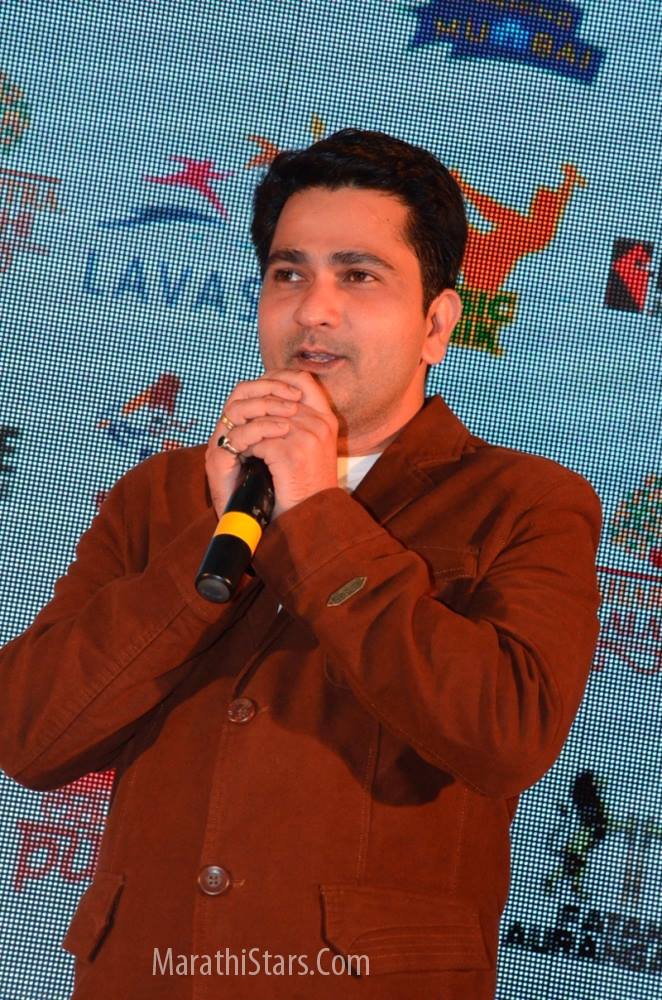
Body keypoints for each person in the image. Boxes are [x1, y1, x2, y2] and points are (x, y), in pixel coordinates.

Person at [0, 129, 602, 999]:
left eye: (358, 276)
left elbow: (504, 734)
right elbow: (29, 735)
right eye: (288, 274)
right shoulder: (162, 494)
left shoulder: (524, 502)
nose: (313, 310)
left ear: (437, 324)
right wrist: (209, 541)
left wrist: (317, 514)